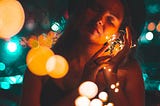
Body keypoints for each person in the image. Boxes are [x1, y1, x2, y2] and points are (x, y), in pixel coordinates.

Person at [20, 0, 146, 106]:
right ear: (82, 8)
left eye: (111, 19)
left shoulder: (129, 71)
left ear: (121, 33)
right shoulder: (42, 61)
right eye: (96, 8)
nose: (100, 20)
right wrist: (85, 85)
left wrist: (111, 77)